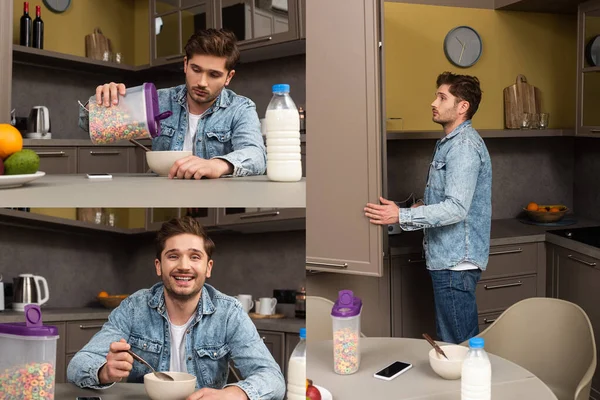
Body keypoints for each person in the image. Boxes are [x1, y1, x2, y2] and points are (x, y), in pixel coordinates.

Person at [67, 216, 285, 400]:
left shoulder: (229, 313)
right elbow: (77, 366)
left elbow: (273, 378)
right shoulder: (134, 308)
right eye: (173, 256)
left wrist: (233, 393)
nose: (183, 266)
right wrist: (104, 371)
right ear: (158, 266)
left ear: (208, 268)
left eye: (194, 257)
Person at [364, 72, 492, 345]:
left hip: (456, 262)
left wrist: (402, 215)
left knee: (458, 346)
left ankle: (466, 388)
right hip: (447, 259)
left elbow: (457, 208)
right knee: (452, 342)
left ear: (462, 107)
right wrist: (414, 207)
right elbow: (448, 198)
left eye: (442, 97)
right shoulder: (450, 143)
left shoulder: (464, 147)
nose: (433, 102)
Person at [78, 28, 266, 180]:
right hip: (162, 192)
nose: (202, 82)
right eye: (196, 69)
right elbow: (91, 127)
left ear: (228, 77)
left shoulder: (240, 108)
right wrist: (101, 104)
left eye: (214, 74)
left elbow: (257, 156)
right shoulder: (159, 100)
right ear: (185, 64)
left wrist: (217, 165)